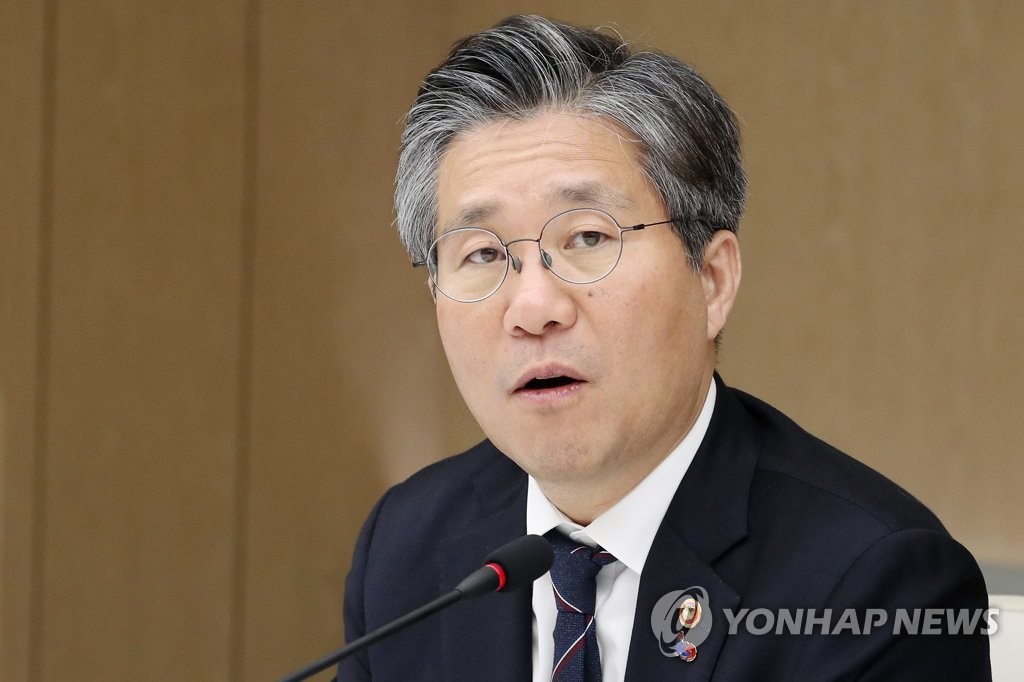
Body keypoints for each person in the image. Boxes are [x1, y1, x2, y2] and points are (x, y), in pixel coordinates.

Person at [340, 15, 991, 681]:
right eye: (482, 253)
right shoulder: (405, 548)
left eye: (588, 238)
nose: (533, 309)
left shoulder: (877, 583)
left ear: (712, 279)